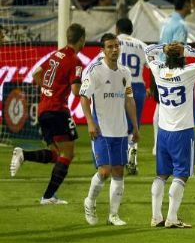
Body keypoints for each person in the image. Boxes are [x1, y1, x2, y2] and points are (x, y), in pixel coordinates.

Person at [10, 23, 86, 204]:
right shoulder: (75, 61)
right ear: (82, 39)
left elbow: (37, 73)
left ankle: (23, 155)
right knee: (68, 154)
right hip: (58, 111)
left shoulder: (56, 55)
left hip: (44, 110)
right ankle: (48, 196)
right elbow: (76, 91)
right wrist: (91, 89)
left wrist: (48, 90)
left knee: (57, 154)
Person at [145, 42, 195, 228]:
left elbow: (148, 51)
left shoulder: (158, 69)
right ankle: (172, 218)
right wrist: (186, 48)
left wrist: (164, 47)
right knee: (181, 174)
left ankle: (155, 216)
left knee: (161, 174)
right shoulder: (187, 72)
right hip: (182, 131)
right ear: (182, 57)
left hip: (163, 131)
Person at [80, 33, 140, 226]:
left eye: (116, 46)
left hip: (121, 129)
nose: (114, 50)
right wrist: (90, 122)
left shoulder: (125, 72)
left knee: (118, 172)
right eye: (110, 47)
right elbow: (83, 98)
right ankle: (89, 201)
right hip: (101, 129)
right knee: (104, 171)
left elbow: (129, 100)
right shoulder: (95, 71)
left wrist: (135, 128)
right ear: (103, 50)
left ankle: (113, 215)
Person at [152, 0, 192, 155]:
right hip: (170, 68)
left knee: (160, 106)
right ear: (187, 4)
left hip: (158, 67)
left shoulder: (166, 21)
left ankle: (157, 144)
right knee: (169, 107)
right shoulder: (181, 25)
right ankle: (162, 145)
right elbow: (177, 48)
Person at [116, 18, 148, 175]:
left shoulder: (113, 43)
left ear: (117, 29)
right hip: (138, 86)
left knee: (117, 124)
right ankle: (132, 156)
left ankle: (118, 158)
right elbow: (153, 67)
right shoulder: (141, 45)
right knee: (134, 126)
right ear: (131, 30)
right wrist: (152, 90)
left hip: (119, 85)